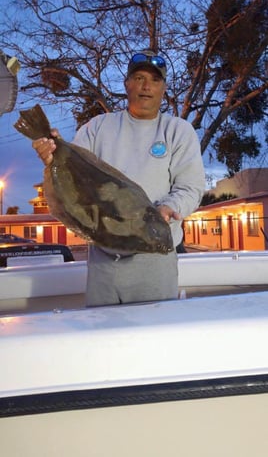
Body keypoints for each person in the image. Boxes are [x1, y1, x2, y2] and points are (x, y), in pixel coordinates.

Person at [33, 49, 205, 307]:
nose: (146, 86)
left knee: (151, 338)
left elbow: (191, 187)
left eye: (154, 80)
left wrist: (170, 208)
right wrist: (52, 156)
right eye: (138, 78)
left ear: (164, 88)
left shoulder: (178, 130)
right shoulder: (97, 126)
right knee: (103, 338)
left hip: (154, 258)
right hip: (103, 260)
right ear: (126, 84)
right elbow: (72, 178)